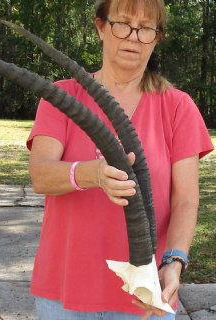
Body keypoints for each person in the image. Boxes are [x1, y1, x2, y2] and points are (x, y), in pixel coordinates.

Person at [26, 0, 214, 319]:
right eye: (123, 23)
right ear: (101, 28)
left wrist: (175, 261)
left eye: (145, 29)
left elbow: (185, 200)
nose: (133, 37)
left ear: (157, 38)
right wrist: (92, 174)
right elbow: (41, 175)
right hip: (64, 295)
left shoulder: (178, 106)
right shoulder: (62, 96)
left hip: (145, 296)